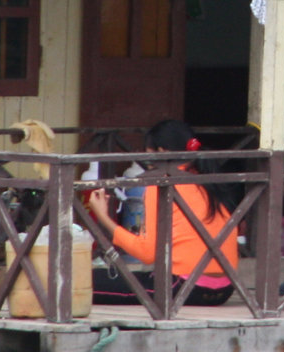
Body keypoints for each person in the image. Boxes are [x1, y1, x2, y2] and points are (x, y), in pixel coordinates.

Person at [84, 118, 241, 306]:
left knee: (86, 280)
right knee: (129, 277)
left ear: (161, 152)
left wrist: (103, 217)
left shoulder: (162, 184)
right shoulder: (208, 180)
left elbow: (147, 253)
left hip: (185, 287)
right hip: (224, 289)